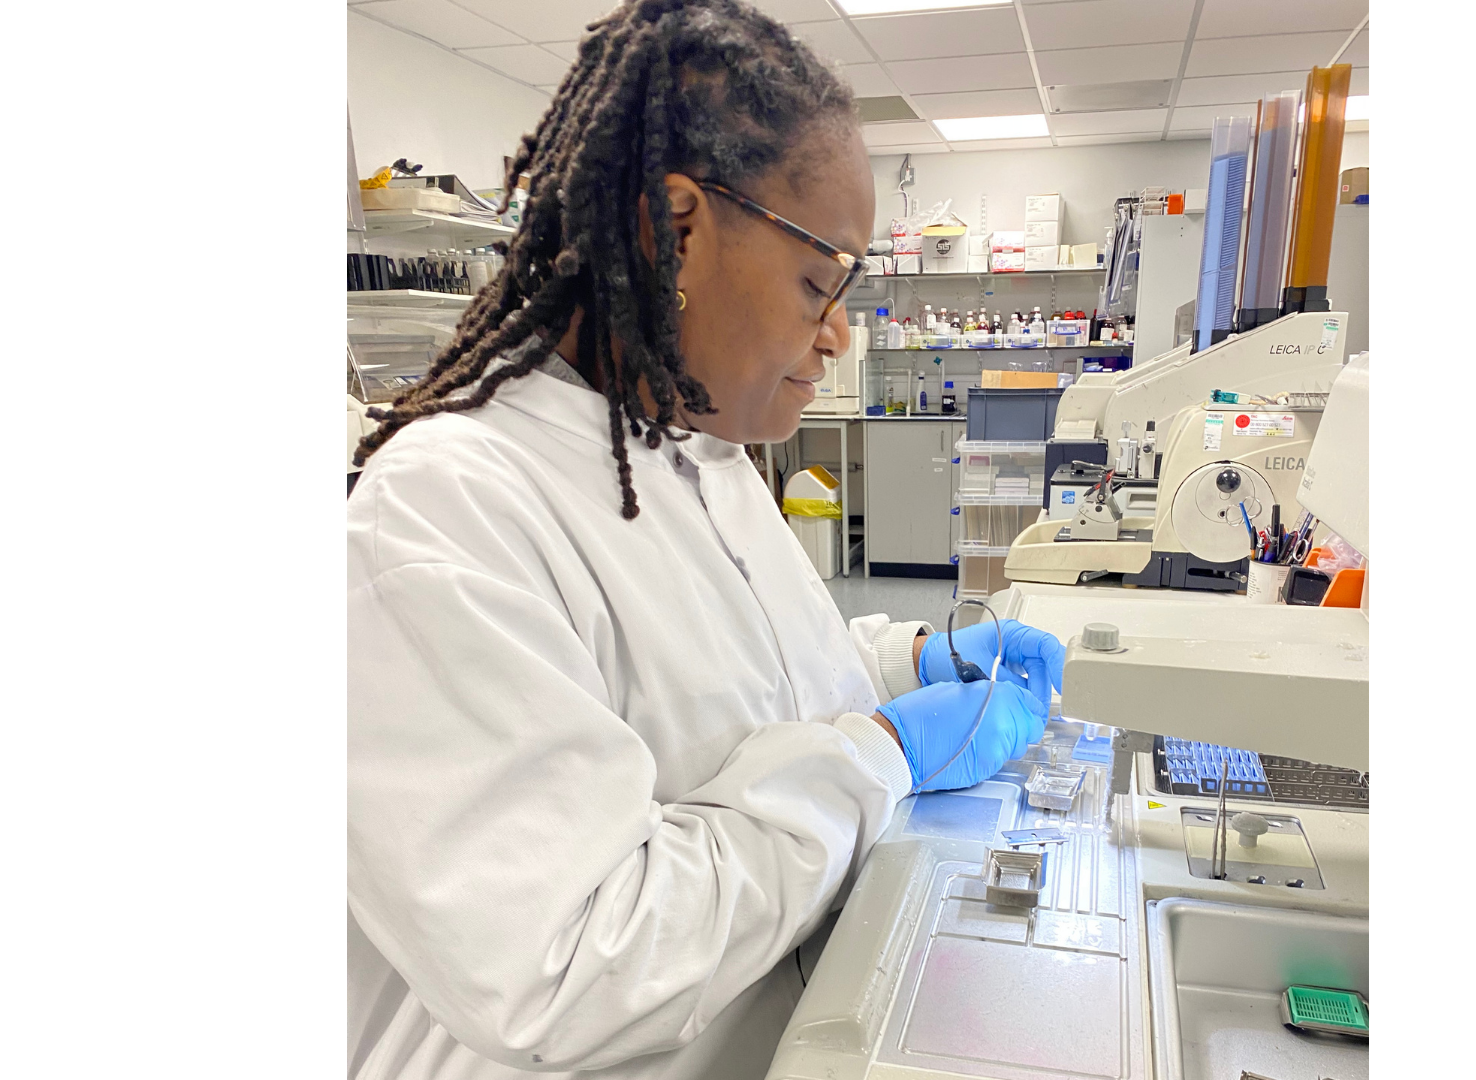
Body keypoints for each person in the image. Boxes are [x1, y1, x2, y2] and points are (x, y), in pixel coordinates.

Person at [347, 2, 1067, 1077]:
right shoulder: (443, 516)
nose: (837, 335)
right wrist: (881, 752)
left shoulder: (698, 453)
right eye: (821, 283)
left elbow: (756, 681)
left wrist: (904, 661)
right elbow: (576, 966)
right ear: (677, 229)